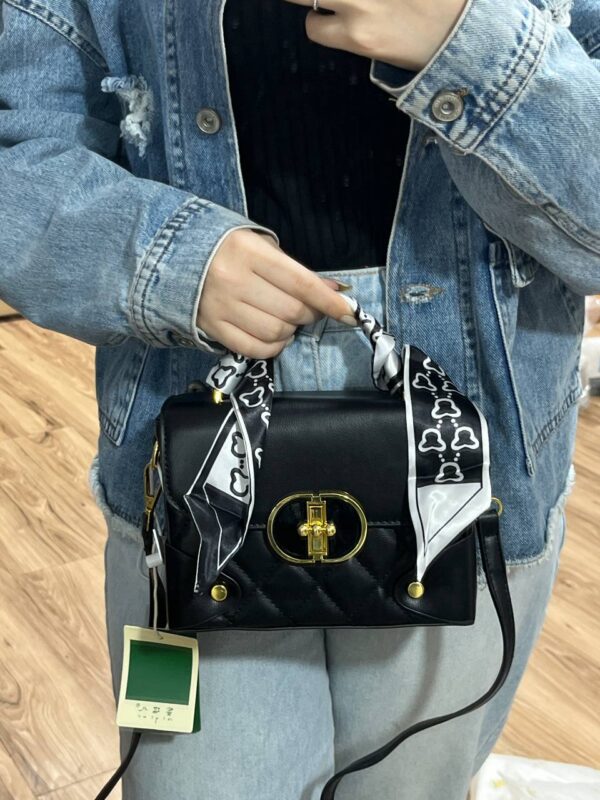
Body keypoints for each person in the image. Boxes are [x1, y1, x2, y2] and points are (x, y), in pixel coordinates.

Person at [0, 0, 597, 797]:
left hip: (464, 468)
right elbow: (18, 154)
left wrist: (464, 41)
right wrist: (169, 261)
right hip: (190, 467)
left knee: (412, 785)